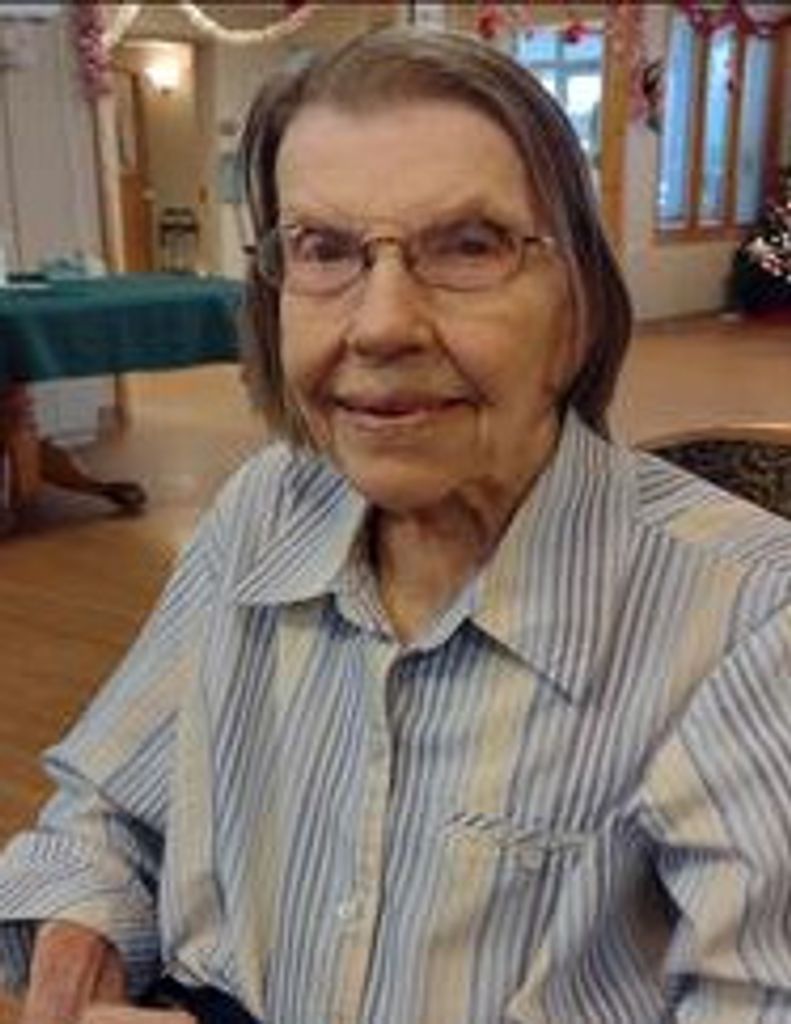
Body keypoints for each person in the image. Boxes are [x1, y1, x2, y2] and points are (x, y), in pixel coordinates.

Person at [1, 25, 791, 1024]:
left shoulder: (751, 621)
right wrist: (78, 948)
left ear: (580, 305)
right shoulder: (263, 510)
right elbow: (106, 812)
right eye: (323, 250)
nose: (379, 325)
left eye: (467, 246)